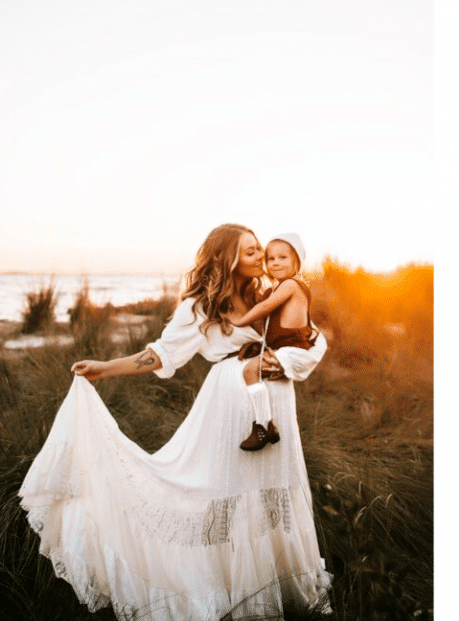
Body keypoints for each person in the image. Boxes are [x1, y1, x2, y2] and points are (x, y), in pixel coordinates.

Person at [19, 224, 331, 620]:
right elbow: (161, 354)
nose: (261, 258)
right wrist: (105, 368)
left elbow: (314, 339)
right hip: (229, 410)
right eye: (251, 251)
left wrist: (284, 361)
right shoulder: (200, 307)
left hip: (275, 405)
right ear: (227, 258)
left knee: (269, 495)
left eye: (261, 251)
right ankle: (226, 589)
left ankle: (277, 587)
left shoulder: (268, 293)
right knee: (224, 493)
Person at [231, 233, 317, 452]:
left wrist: (240, 321)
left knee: (250, 371)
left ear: (296, 261)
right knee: (254, 369)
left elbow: (263, 309)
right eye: (271, 259)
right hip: (283, 349)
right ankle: (264, 424)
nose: (275, 263)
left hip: (295, 350)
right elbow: (267, 323)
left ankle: (264, 425)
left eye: (283, 258)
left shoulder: (292, 284)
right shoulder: (273, 289)